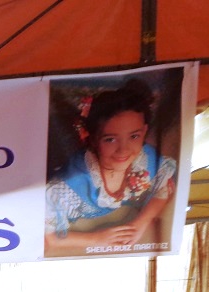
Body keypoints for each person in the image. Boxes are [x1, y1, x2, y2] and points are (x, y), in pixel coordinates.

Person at [46, 78, 178, 255]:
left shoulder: (145, 158)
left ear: (144, 131)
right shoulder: (70, 184)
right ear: (92, 139)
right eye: (110, 139)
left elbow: (165, 186)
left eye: (134, 136)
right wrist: (96, 239)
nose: (124, 150)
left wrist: (140, 223)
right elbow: (46, 237)